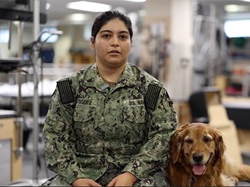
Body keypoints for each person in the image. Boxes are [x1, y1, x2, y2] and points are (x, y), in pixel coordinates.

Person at [42, 10, 177, 186]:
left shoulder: (150, 89)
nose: (115, 43)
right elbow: (54, 136)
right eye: (106, 36)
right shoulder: (70, 88)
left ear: (130, 43)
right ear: (92, 42)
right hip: (82, 172)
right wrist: (76, 177)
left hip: (138, 175)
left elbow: (164, 135)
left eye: (123, 37)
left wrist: (131, 174)